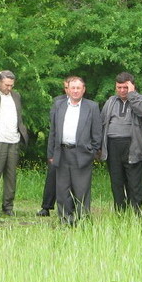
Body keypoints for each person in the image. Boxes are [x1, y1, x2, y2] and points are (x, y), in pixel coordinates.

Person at [47, 77, 102, 225]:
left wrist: (92, 152)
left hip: (82, 154)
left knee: (81, 190)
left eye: (78, 88)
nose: (75, 91)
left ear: (84, 89)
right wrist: (51, 153)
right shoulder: (59, 105)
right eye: (73, 88)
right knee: (62, 190)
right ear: (68, 89)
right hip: (62, 152)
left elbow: (97, 133)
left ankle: (83, 219)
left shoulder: (92, 107)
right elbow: (53, 131)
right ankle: (65, 220)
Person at [100, 72, 142, 213]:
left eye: (125, 87)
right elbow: (102, 123)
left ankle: (136, 213)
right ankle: (120, 212)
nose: (122, 90)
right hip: (113, 146)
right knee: (117, 182)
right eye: (119, 87)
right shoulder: (110, 101)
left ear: (132, 86)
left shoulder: (141, 100)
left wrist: (132, 95)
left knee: (134, 183)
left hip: (133, 146)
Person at [0, 71, 28, 217]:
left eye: (11, 85)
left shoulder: (16, 96)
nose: (9, 88)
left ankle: (8, 206)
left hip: (13, 139)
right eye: (6, 84)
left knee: (11, 176)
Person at [37, 78, 71, 217]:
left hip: (73, 148)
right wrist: (50, 153)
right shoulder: (58, 102)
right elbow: (53, 129)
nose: (68, 90)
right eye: (66, 87)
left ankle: (69, 206)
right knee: (52, 176)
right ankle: (46, 206)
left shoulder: (83, 104)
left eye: (70, 87)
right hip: (58, 147)